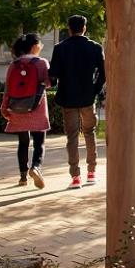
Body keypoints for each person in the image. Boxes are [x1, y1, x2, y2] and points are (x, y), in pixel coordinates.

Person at [48, 15, 106, 189]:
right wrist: (95, 90)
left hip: (67, 98)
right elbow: (103, 74)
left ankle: (75, 177)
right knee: (90, 132)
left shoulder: (60, 48)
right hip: (88, 97)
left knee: (72, 136)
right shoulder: (94, 47)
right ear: (85, 28)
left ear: (69, 28)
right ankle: (92, 172)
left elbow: (54, 75)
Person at [0, 32, 51, 189]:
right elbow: (48, 83)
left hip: (17, 107)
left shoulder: (13, 65)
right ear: (35, 47)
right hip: (37, 106)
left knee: (23, 143)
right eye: (40, 45)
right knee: (39, 143)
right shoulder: (41, 63)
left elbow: (8, 88)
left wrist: (4, 107)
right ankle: (35, 168)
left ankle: (22, 177)